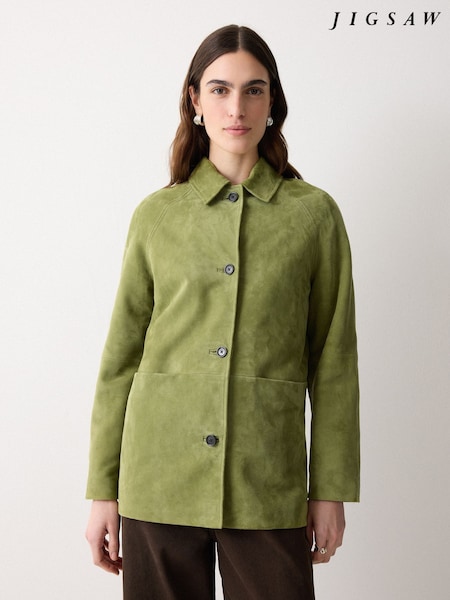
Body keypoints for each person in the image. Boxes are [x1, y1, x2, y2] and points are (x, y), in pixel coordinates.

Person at [85, 24, 360, 600]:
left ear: (273, 101)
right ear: (195, 100)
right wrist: (103, 491)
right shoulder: (157, 216)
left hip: (267, 481)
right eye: (220, 89)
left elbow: (334, 362)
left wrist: (329, 489)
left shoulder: (314, 216)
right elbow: (120, 361)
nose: (237, 108)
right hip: (157, 479)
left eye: (254, 90)